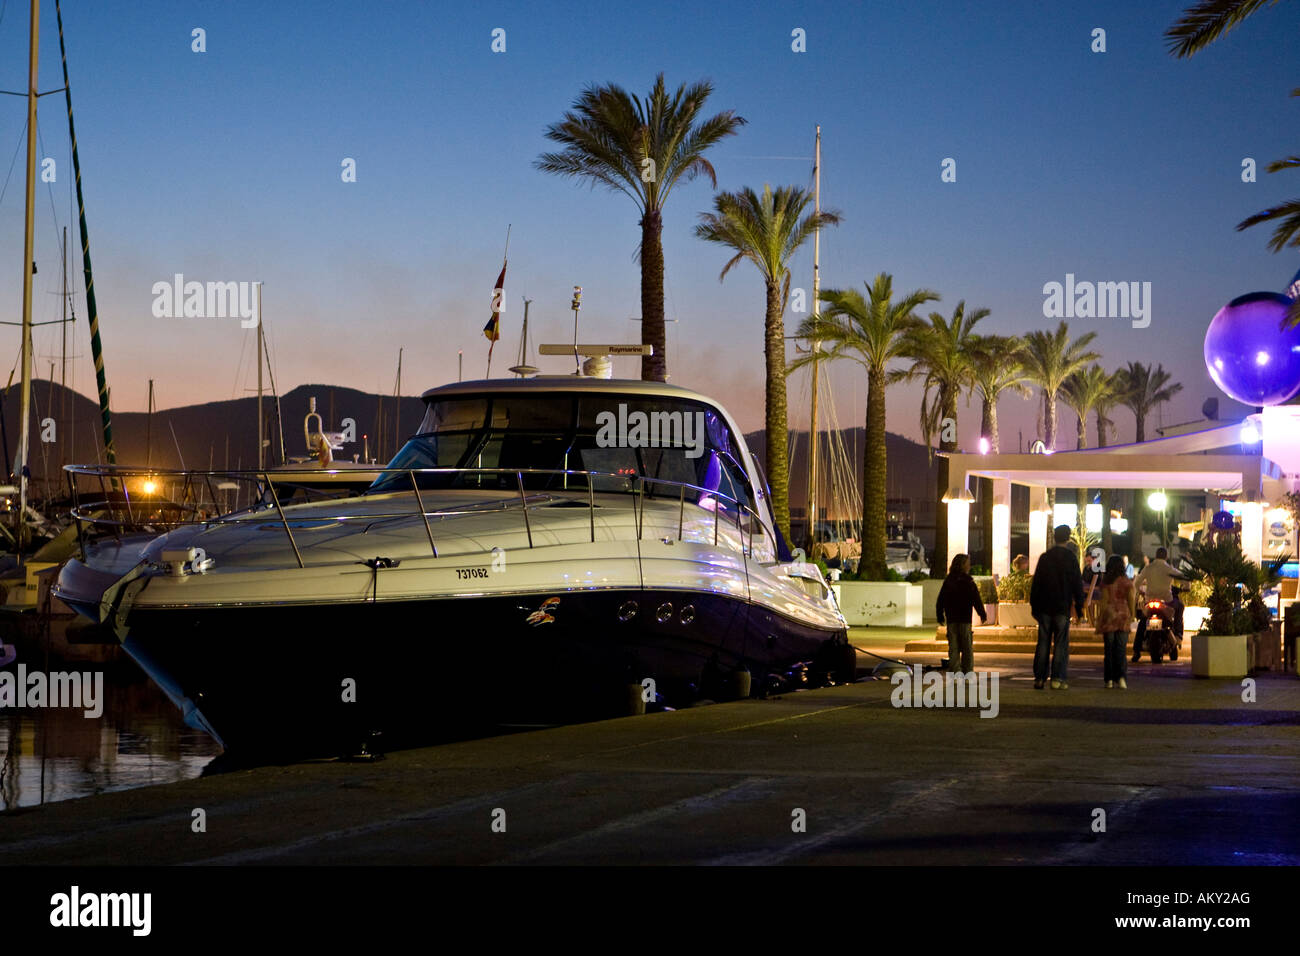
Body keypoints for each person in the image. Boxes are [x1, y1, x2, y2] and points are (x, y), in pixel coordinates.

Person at [1029, 524, 1086, 689]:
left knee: (1043, 642)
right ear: (1068, 538)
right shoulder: (1071, 558)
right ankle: (1057, 678)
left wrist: (1034, 606)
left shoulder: (1045, 557)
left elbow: (1036, 583)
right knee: (1061, 643)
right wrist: (1080, 608)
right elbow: (1077, 584)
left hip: (1044, 607)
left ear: (1054, 537)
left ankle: (1039, 678)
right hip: (1062, 606)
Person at [1132, 547, 1187, 662]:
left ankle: (1136, 651)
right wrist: (1186, 587)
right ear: (1166, 556)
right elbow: (1183, 577)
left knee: (1143, 622)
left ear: (1155, 556)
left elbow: (1136, 582)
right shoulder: (1168, 569)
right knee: (1180, 607)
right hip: (1166, 601)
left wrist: (1141, 591)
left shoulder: (1148, 568)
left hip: (1150, 601)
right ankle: (1177, 634)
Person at [936, 553, 986, 672]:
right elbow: (976, 599)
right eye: (967, 564)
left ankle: (955, 670)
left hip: (952, 618)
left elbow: (941, 599)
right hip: (964, 618)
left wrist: (940, 614)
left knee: (953, 647)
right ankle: (967, 671)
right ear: (963, 565)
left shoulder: (949, 581)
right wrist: (982, 613)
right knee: (967, 647)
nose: (969, 566)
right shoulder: (968, 581)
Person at [1094, 555, 1136, 688]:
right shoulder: (1127, 582)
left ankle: (1109, 680)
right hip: (1123, 617)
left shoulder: (1106, 582)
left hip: (1110, 617)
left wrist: (1100, 620)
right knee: (1121, 650)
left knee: (1109, 650)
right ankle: (1122, 678)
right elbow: (1131, 600)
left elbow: (1104, 603)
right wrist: (1132, 616)